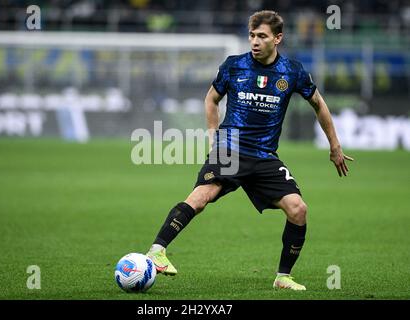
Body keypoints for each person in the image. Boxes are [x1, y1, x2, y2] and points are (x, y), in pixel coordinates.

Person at [146, 10, 353, 291]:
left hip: (265, 157)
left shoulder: (292, 71)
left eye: (262, 36)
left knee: (298, 209)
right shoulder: (234, 66)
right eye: (252, 35)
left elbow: (318, 103)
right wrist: (212, 138)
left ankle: (283, 277)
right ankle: (156, 251)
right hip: (229, 149)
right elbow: (211, 99)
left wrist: (335, 145)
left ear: (277, 38)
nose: (255, 41)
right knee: (200, 198)